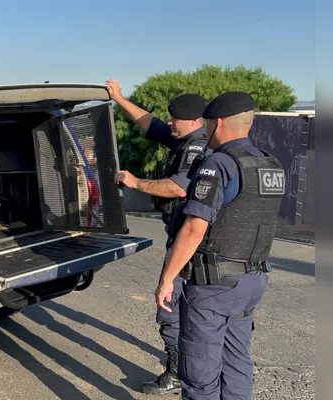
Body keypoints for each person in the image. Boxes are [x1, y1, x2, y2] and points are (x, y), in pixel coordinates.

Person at [155, 91, 283, 399]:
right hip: (251, 280)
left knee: (199, 372)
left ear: (219, 123)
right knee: (236, 360)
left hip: (214, 284)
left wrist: (167, 278)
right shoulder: (269, 163)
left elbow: (195, 227)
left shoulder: (218, 164)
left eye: (208, 122)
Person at [106, 79, 208, 395]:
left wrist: (136, 183)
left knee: (169, 306)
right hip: (183, 235)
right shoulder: (184, 137)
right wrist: (119, 99)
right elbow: (150, 124)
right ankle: (194, 365)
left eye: (175, 119)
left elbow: (179, 187)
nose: (170, 123)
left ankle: (178, 373)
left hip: (186, 238)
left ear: (194, 121)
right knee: (186, 307)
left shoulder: (195, 147)